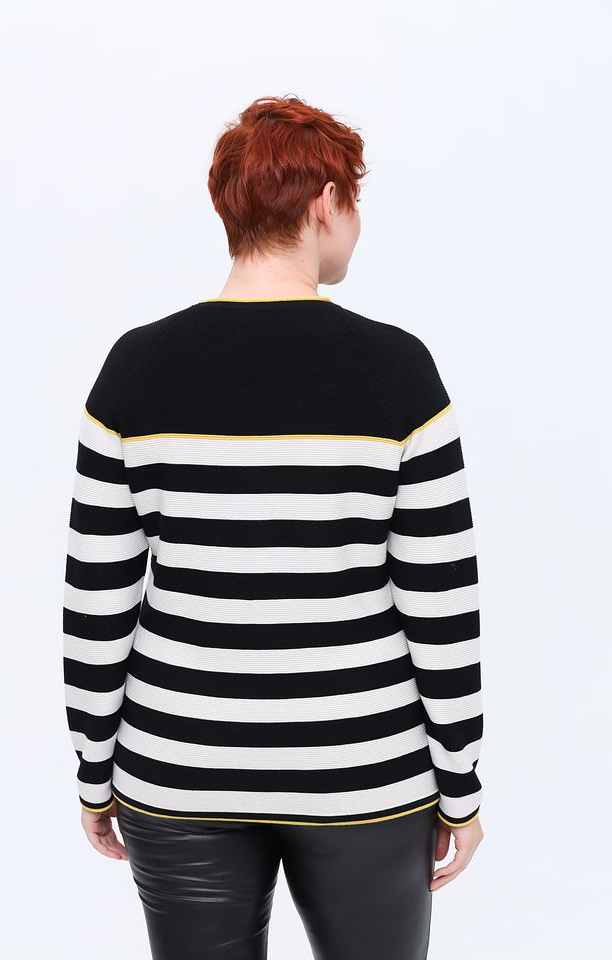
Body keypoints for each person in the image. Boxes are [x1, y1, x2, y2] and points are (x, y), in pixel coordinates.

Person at [62, 94, 484, 960]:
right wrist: (461, 783)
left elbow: (97, 600)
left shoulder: (133, 369)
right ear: (327, 202)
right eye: (354, 203)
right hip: (364, 775)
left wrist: (94, 771)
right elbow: (440, 604)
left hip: (179, 769)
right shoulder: (398, 370)